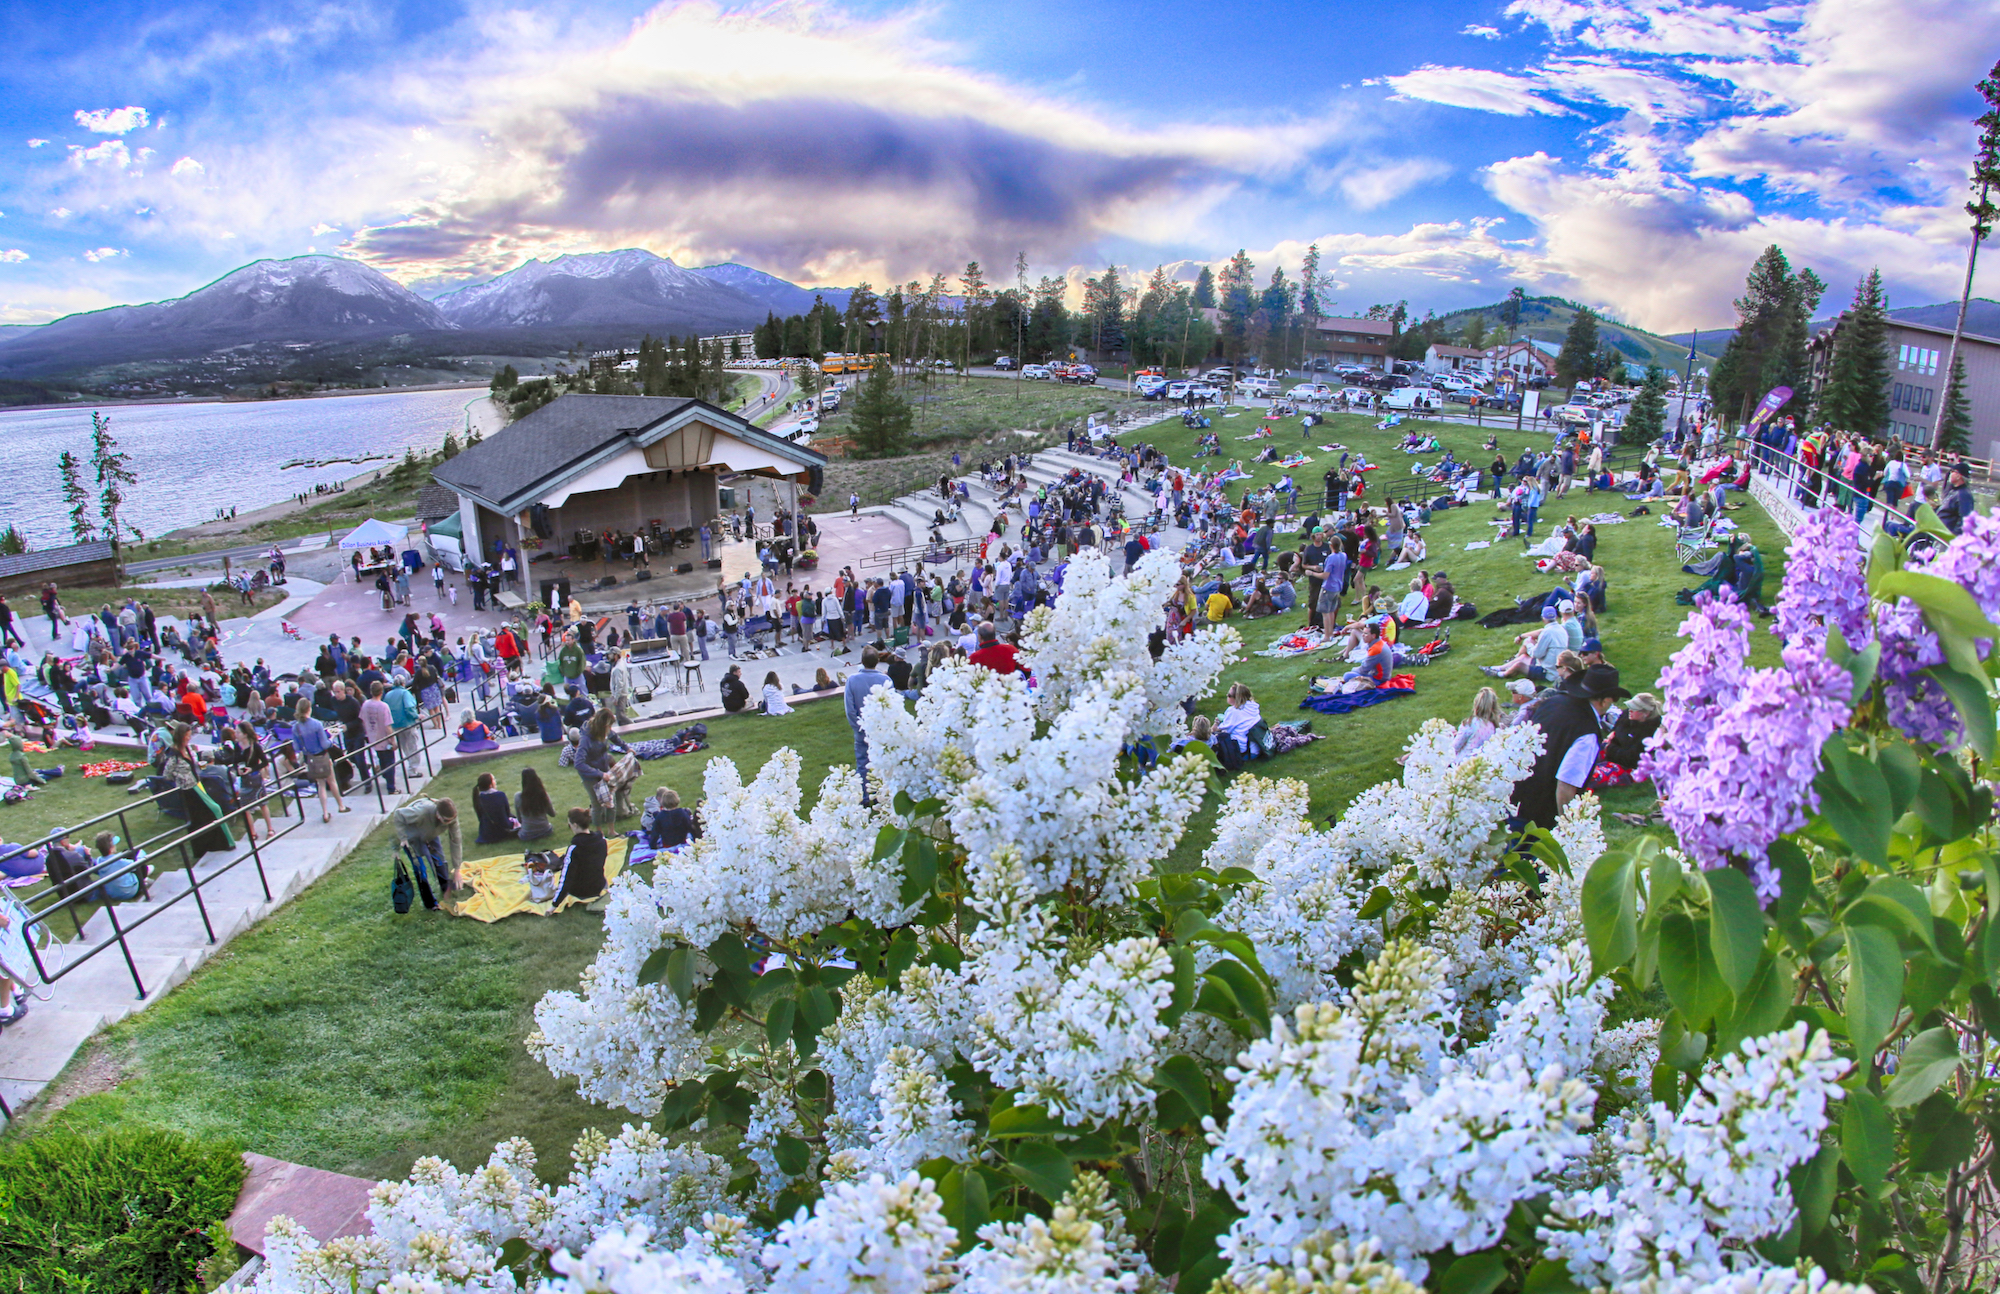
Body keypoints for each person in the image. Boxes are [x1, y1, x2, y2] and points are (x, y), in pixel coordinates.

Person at [1511, 663, 1630, 830]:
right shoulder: (1587, 733)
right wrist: (1567, 830)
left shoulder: (1552, 703)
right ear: (1605, 700)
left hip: (1511, 796)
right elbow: (1566, 786)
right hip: (1537, 818)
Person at [845, 648, 891, 802]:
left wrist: (858, 727)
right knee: (883, 762)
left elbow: (850, 709)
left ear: (862, 661)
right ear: (877, 661)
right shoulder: (886, 680)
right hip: (881, 730)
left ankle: (865, 797)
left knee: (863, 764)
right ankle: (882, 795)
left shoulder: (852, 680)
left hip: (863, 730)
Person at [391, 796, 463, 893]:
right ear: (438, 814)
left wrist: (457, 869)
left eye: (451, 820)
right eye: (446, 821)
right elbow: (398, 814)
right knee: (422, 869)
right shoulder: (421, 812)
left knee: (440, 861)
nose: (449, 823)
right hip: (413, 835)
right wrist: (402, 839)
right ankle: (431, 904)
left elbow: (456, 841)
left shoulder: (451, 817)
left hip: (430, 832)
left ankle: (446, 888)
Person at [291, 699, 347, 822]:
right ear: (309, 709)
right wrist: (332, 738)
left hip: (310, 759)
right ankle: (341, 806)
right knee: (332, 782)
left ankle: (325, 813)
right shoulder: (316, 724)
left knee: (320, 785)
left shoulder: (296, 727)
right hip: (322, 756)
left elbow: (296, 747)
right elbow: (325, 744)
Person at [1452, 687, 1503, 760]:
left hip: (1464, 763)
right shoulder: (1494, 726)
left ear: (1476, 704)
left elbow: (1455, 747)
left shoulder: (1470, 723)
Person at [472, 771, 518, 843]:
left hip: (486, 831)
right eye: (493, 779)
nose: (495, 781)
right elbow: (507, 813)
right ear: (490, 785)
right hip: (503, 829)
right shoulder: (500, 795)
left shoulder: (478, 797)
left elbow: (480, 816)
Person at [516, 768, 556, 842]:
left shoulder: (518, 797)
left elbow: (519, 819)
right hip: (546, 831)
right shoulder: (543, 795)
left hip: (526, 835)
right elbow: (553, 814)